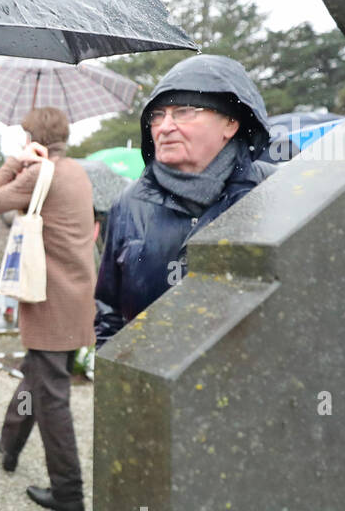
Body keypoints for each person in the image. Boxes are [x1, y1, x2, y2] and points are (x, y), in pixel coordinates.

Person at [95, 54, 276, 347]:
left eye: (184, 111)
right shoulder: (128, 204)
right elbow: (109, 313)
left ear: (230, 123)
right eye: (157, 115)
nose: (165, 127)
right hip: (151, 379)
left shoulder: (272, 189)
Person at [0, 106, 95, 511]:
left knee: (52, 398)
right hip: (77, 295)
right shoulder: (78, 172)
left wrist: (17, 161)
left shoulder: (39, 173)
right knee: (37, 375)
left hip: (49, 298)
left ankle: (69, 492)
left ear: (34, 138)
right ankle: (10, 445)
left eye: (24, 136)